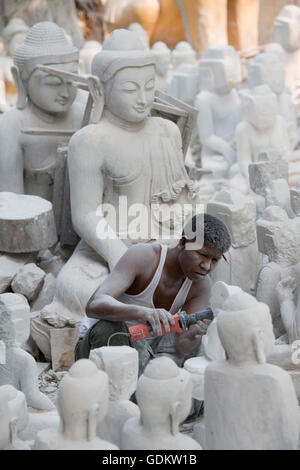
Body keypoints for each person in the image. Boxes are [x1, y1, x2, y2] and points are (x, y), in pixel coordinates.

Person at [75, 214, 231, 374]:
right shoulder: (144, 257)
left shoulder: (201, 286)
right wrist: (143, 313)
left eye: (215, 260)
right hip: (99, 348)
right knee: (110, 328)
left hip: (144, 352)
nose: (206, 266)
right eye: (203, 255)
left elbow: (181, 346)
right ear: (184, 243)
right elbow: (94, 304)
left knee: (202, 356)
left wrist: (195, 334)